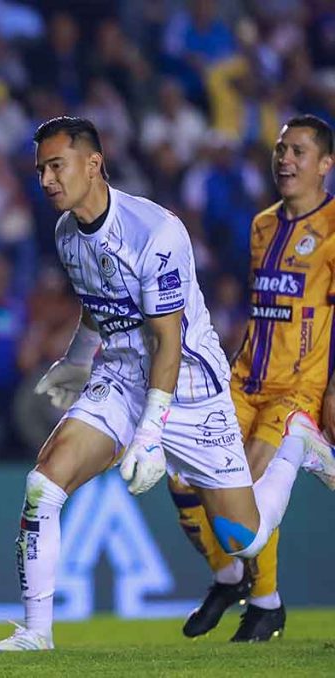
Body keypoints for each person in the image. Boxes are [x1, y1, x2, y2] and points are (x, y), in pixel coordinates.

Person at [0, 117, 335, 652]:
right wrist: (78, 361)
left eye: (56, 166)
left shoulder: (155, 231)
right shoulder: (65, 233)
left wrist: (149, 435)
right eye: (40, 170)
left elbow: (168, 344)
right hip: (122, 377)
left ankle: (294, 446)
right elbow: (98, 306)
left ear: (93, 164)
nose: (47, 180)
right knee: (42, 487)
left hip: (192, 386)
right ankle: (35, 632)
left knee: (244, 538)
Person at [169, 115, 335, 642]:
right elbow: (265, 309)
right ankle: (238, 583)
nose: (284, 159)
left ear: (326, 165)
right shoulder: (262, 225)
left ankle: (263, 603)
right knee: (180, 478)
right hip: (241, 381)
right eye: (281, 149)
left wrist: (331, 391)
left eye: (298, 151)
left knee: (243, 490)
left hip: (296, 388)